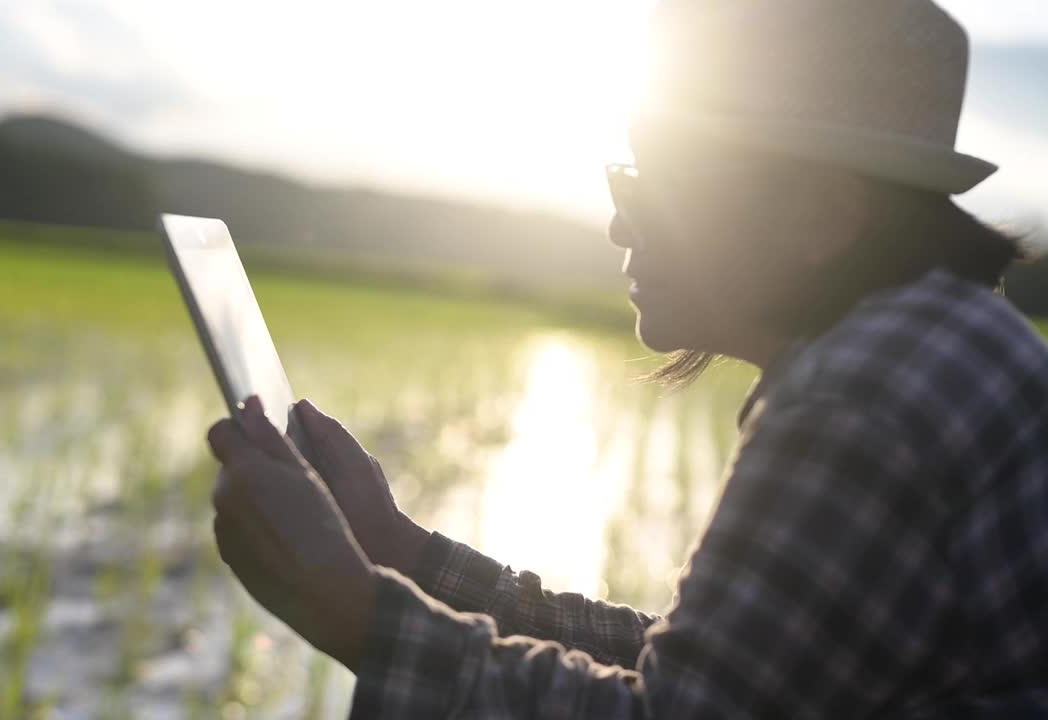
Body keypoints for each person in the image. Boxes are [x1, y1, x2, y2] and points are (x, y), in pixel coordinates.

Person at [205, 0, 1048, 716]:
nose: (619, 221)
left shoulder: (862, 399)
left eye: (660, 185)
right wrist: (402, 553)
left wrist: (356, 614)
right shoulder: (937, 340)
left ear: (821, 217)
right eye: (624, 179)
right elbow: (713, 666)